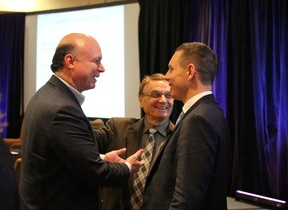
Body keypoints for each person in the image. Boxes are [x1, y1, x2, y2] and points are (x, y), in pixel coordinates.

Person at [19, 33, 144, 210]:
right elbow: (95, 173)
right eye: (96, 61)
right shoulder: (63, 108)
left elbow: (62, 154)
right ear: (70, 62)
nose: (102, 68)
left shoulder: (47, 94)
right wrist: (126, 167)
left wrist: (101, 158)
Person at [142, 42, 231, 209]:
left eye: (171, 69)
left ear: (190, 71)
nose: (167, 76)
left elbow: (187, 200)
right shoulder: (210, 111)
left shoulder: (199, 119)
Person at [92, 73, 174, 210]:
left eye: (168, 95)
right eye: (156, 94)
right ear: (141, 99)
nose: (163, 100)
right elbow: (83, 145)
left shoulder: (179, 137)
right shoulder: (117, 127)